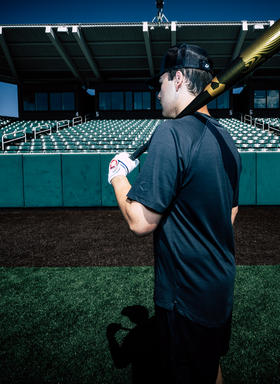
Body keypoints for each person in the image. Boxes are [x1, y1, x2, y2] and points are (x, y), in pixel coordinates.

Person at [108, 43, 242, 384]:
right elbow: (231, 211)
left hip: (185, 295)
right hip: (220, 285)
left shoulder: (170, 133)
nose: (158, 94)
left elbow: (140, 221)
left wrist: (118, 177)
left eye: (162, 83)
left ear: (179, 78)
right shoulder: (227, 140)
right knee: (209, 365)